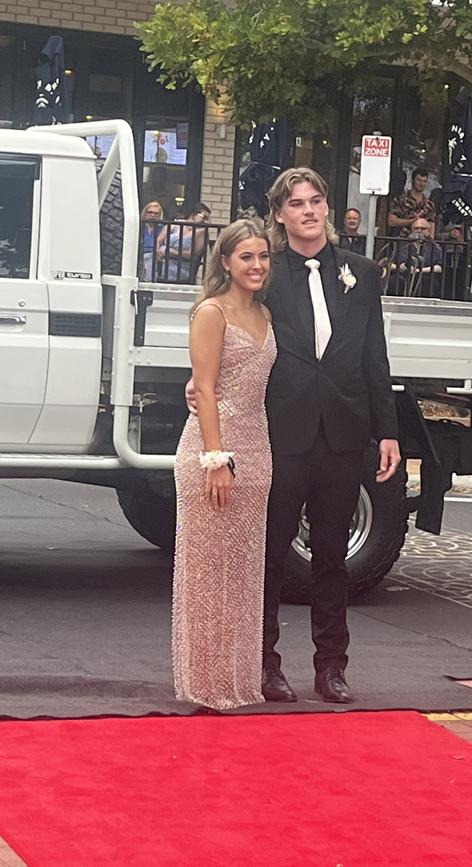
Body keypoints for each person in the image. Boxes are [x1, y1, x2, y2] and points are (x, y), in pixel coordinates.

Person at [188, 168, 400, 704]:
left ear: (327, 208)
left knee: (331, 556)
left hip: (344, 435)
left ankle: (332, 668)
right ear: (281, 215)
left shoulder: (362, 273)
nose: (308, 210)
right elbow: (230, 337)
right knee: (272, 556)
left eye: (316, 200)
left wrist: (388, 431)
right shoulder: (266, 271)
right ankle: (265, 665)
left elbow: (375, 356)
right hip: (279, 435)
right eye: (296, 204)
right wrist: (196, 388)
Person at [173, 218, 276, 711]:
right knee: (208, 569)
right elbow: (206, 387)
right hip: (213, 450)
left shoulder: (266, 315)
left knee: (242, 570)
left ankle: (236, 680)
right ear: (225, 261)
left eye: (263, 257)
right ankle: (205, 683)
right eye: (246, 257)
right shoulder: (210, 312)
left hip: (258, 449)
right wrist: (215, 459)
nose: (256, 266)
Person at [156, 202, 211, 283]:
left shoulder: (201, 231)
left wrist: (172, 251)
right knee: (148, 259)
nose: (205, 221)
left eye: (208, 219)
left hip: (182, 266)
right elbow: (158, 241)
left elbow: (193, 254)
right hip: (163, 260)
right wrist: (158, 252)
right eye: (204, 217)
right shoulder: (175, 225)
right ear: (193, 214)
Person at [389, 217, 442, 297]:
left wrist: (418, 270)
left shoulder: (434, 247)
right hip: (403, 276)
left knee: (429, 281)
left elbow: (439, 268)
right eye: (416, 228)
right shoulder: (401, 245)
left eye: (423, 228)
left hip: (424, 276)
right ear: (412, 230)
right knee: (394, 280)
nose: (419, 231)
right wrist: (399, 267)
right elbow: (389, 264)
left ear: (428, 231)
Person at [388, 168, 436, 238]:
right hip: (402, 242)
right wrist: (412, 221)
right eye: (419, 180)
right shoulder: (400, 200)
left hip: (423, 244)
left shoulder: (430, 205)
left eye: (424, 181)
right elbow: (391, 221)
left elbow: (431, 229)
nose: (421, 184)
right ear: (413, 180)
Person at [140, 200, 164, 281]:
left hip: (157, 257)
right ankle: (148, 282)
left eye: (156, 213)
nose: (152, 215)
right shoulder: (139, 227)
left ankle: (148, 281)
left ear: (159, 215)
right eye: (150, 212)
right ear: (145, 213)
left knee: (150, 258)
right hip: (140, 257)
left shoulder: (163, 229)